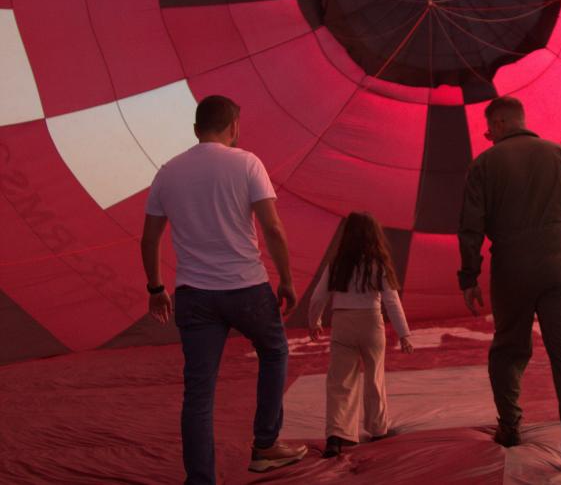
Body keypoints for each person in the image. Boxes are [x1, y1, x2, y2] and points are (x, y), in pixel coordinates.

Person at [140, 95, 306, 484]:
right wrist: (287, 279)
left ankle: (200, 479)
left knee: (199, 392)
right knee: (274, 351)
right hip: (246, 287)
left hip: (194, 294)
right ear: (233, 128)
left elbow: (149, 240)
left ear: (197, 130)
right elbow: (273, 228)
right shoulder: (247, 162)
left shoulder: (168, 172)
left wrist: (155, 288)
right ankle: (265, 445)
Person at [457, 96, 561, 475]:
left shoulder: (484, 165)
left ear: (500, 125)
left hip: (511, 268)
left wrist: (469, 275)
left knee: (508, 349)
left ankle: (509, 426)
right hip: (560, 264)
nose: (488, 134)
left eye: (489, 129)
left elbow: (470, 227)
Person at [308, 211, 414, 458]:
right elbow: (392, 300)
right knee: (374, 377)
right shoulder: (378, 264)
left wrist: (315, 321)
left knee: (339, 381)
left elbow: (317, 297)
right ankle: (377, 429)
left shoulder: (336, 264)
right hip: (371, 323)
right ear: (374, 236)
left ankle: (336, 435)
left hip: (343, 322)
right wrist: (404, 334)